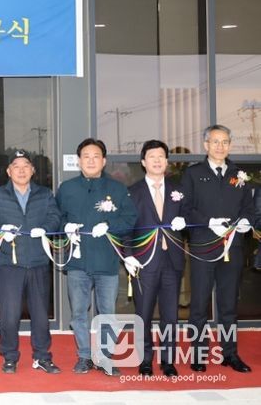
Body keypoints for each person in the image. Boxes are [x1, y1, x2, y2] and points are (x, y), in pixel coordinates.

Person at [56, 138, 137, 376]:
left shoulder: (117, 189)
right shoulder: (67, 188)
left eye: (96, 156)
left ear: (103, 161)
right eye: (86, 156)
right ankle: (84, 355)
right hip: (77, 263)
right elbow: (55, 218)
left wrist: (109, 225)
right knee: (78, 313)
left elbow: (130, 219)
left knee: (107, 313)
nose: (91, 161)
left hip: (106, 262)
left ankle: (105, 357)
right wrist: (65, 227)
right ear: (79, 161)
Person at [181, 125, 254, 373]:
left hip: (233, 247)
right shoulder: (193, 173)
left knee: (229, 305)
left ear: (230, 145)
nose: (220, 146)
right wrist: (208, 222)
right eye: (215, 142)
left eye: (224, 142)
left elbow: (249, 207)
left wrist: (246, 221)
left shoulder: (239, 174)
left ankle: (229, 354)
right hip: (203, 246)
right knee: (199, 304)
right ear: (206, 145)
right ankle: (198, 354)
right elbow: (185, 208)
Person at [0, 149, 62, 375]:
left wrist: (45, 229)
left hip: (38, 261)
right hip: (10, 263)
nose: (21, 170)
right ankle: (10, 357)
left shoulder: (44, 194)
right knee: (9, 315)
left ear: (33, 170)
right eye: (16, 167)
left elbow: (55, 217)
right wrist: (0, 230)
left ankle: (42, 356)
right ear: (8, 171)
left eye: (26, 166)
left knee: (40, 315)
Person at [126, 140, 186, 377]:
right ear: (143, 162)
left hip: (172, 260)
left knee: (171, 315)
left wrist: (184, 222)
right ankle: (145, 359)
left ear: (167, 161)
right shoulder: (133, 192)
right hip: (144, 262)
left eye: (161, 156)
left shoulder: (178, 190)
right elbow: (125, 229)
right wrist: (128, 256)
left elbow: (189, 217)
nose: (157, 160)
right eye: (152, 157)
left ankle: (168, 360)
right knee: (144, 313)